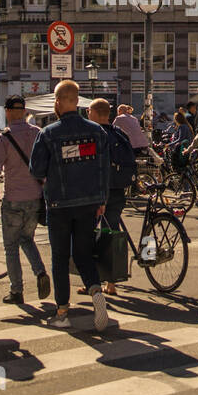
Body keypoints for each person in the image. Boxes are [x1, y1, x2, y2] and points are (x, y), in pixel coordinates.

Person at [28, 80, 110, 331]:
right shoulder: (97, 132)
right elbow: (104, 169)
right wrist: (102, 199)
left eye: (55, 98)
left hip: (59, 204)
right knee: (84, 254)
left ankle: (63, 310)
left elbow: (36, 169)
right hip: (88, 203)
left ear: (61, 101)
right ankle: (96, 291)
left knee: (60, 257)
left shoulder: (49, 133)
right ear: (77, 101)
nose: (54, 103)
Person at [0, 96, 50, 305]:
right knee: (27, 238)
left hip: (13, 198)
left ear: (7, 112)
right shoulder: (37, 134)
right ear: (24, 111)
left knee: (11, 246)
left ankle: (17, 290)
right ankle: (40, 272)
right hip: (35, 197)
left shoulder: (3, 138)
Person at [87, 98, 136, 295]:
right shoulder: (120, 133)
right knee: (111, 231)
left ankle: (93, 280)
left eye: (89, 111)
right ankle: (112, 282)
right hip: (118, 189)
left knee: (89, 235)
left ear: (97, 113)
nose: (87, 114)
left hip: (98, 190)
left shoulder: (94, 134)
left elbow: (90, 163)